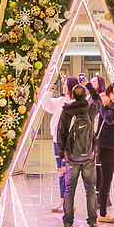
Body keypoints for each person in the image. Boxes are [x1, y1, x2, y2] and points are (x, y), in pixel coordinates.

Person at [56, 84, 98, 227]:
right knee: (90, 190)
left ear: (72, 96)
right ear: (85, 95)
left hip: (71, 157)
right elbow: (98, 99)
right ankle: (93, 223)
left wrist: (62, 153)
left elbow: (60, 132)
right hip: (88, 156)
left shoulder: (67, 111)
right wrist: (89, 86)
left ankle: (67, 223)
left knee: (69, 190)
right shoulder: (91, 108)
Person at [87, 80, 114, 223]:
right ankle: (103, 213)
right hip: (107, 148)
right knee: (106, 181)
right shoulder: (105, 106)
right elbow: (110, 120)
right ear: (111, 93)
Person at [41, 74, 78, 214]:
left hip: (69, 143)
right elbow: (46, 105)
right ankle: (62, 199)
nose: (63, 87)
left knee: (68, 172)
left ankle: (68, 201)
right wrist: (49, 91)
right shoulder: (60, 101)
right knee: (60, 172)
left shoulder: (75, 103)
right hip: (57, 141)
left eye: (65, 84)